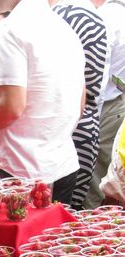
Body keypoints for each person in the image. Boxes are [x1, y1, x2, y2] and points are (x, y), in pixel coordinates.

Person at [0, 0, 86, 204]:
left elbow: (10, 106)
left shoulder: (10, 29)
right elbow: (79, 103)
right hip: (63, 164)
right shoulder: (66, 31)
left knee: (20, 236)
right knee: (53, 236)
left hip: (21, 169)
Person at [52, 0, 108, 209]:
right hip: (82, 125)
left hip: (59, 126)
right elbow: (95, 87)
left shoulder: (60, 13)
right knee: (68, 215)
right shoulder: (92, 18)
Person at [84, 0, 125, 208]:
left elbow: (97, 72)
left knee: (97, 177)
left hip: (105, 106)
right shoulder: (114, 14)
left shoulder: (111, 16)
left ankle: (93, 223)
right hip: (114, 103)